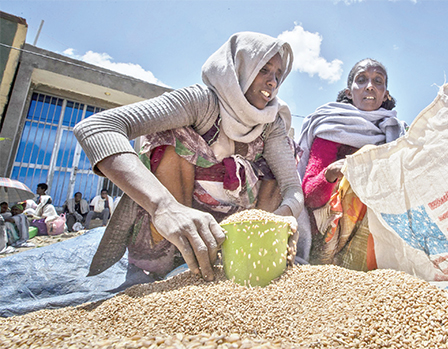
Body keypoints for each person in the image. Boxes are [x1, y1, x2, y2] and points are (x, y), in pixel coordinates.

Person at [74, 32, 303, 280]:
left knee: (284, 160)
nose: (273, 82)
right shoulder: (201, 102)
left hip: (237, 230)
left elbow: (292, 187)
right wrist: (165, 207)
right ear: (239, 68)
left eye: (278, 75)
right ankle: (180, 259)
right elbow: (96, 128)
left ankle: (248, 259)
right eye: (264, 70)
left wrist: (277, 221)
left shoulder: (272, 123)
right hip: (176, 219)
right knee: (171, 137)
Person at [298, 58, 407, 271]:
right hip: (331, 233)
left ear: (385, 94)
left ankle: (386, 268)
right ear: (349, 92)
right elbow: (310, 196)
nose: (370, 86)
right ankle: (346, 267)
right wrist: (333, 173)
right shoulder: (331, 128)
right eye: (361, 80)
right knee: (363, 164)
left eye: (378, 81)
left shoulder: (395, 134)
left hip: (382, 227)